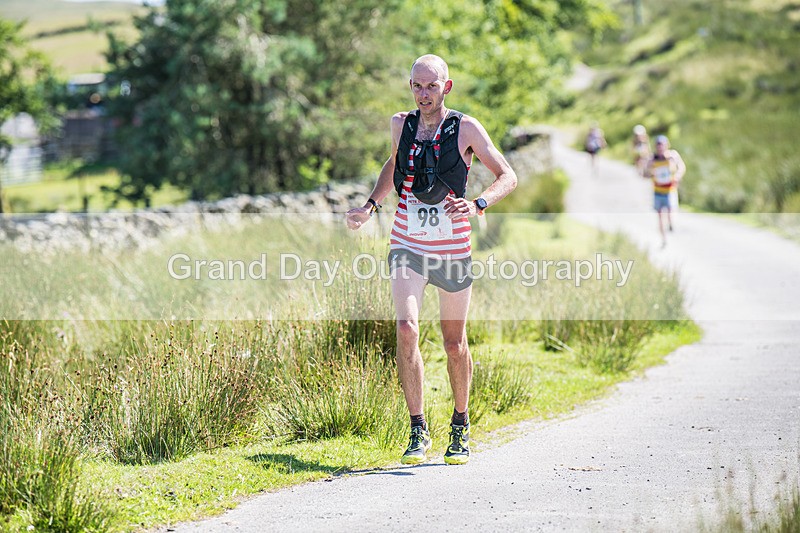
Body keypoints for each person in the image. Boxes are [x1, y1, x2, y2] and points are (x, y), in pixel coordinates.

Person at [345, 54, 517, 465]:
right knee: (406, 327)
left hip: (453, 246)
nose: (424, 94)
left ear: (447, 86)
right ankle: (417, 428)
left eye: (432, 86)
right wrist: (370, 206)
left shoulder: (467, 128)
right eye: (417, 86)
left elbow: (507, 175)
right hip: (407, 241)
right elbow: (394, 164)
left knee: (454, 344)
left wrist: (478, 204)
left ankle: (460, 424)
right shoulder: (400, 123)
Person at [645, 135, 686, 246]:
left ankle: (671, 223)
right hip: (657, 191)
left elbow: (682, 167)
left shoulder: (673, 156)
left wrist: (677, 176)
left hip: (670, 190)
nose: (660, 148)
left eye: (662, 145)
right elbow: (645, 173)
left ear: (666, 145)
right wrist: (649, 169)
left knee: (670, 211)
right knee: (659, 217)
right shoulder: (652, 159)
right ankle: (664, 239)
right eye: (658, 146)